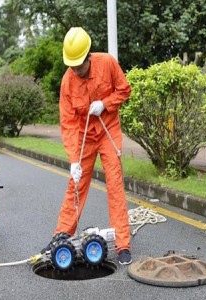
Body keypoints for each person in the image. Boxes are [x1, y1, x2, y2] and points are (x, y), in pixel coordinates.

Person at [42, 27, 133, 265]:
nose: (76, 71)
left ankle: (123, 244)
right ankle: (61, 235)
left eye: (79, 66)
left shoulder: (107, 64)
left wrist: (105, 103)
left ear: (88, 55)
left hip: (107, 130)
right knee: (76, 185)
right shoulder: (67, 83)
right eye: (72, 66)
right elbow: (68, 123)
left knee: (114, 185)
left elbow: (125, 90)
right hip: (83, 137)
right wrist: (73, 160)